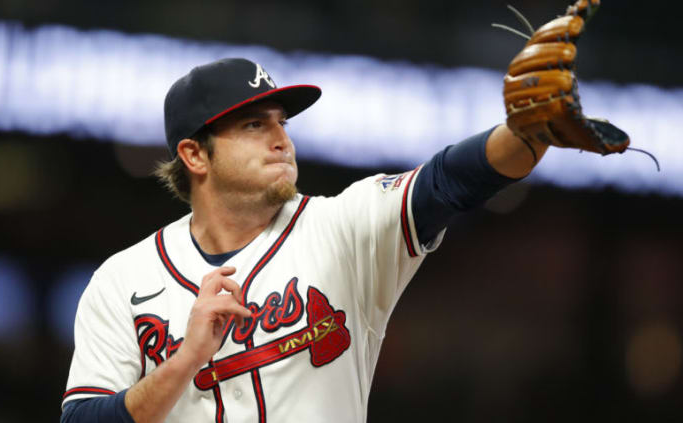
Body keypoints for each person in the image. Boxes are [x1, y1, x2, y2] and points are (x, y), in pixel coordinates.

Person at [59, 56, 547, 423]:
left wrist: (527, 132)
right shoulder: (123, 280)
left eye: (281, 122)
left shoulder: (344, 229)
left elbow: (449, 181)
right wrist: (186, 359)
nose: (281, 139)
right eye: (254, 125)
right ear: (194, 154)